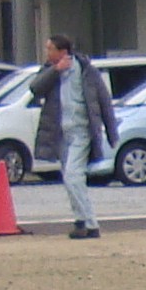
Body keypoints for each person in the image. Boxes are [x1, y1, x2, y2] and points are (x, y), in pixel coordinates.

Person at [35, 34, 119, 240]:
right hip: (60, 133)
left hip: (81, 130)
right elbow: (35, 89)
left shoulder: (86, 71)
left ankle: (91, 224)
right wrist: (55, 71)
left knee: (73, 175)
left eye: (50, 49)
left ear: (62, 51)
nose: (47, 53)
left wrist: (111, 132)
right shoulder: (50, 70)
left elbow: (103, 100)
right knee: (69, 178)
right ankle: (80, 220)